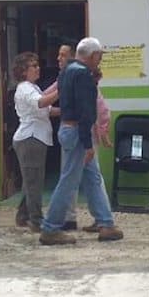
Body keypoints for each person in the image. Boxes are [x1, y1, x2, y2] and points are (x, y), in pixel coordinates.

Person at [39, 37, 123, 245]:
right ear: (94, 55)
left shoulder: (66, 72)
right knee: (69, 181)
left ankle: (105, 223)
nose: (100, 60)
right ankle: (50, 228)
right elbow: (86, 112)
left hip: (68, 128)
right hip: (78, 132)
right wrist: (88, 144)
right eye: (100, 56)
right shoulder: (83, 74)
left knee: (92, 177)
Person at [11, 52, 60, 232]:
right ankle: (36, 220)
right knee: (34, 182)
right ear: (24, 71)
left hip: (36, 137)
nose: (38, 68)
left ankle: (24, 215)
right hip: (31, 138)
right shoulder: (25, 88)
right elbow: (41, 104)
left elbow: (47, 110)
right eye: (34, 66)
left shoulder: (33, 87)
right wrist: (61, 90)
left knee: (30, 181)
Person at [43, 43, 81, 230]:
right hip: (75, 131)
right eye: (58, 54)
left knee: (71, 177)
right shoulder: (64, 77)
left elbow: (97, 106)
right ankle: (99, 219)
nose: (59, 58)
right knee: (90, 178)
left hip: (79, 131)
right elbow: (44, 97)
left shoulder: (78, 75)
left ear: (74, 56)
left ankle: (53, 222)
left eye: (63, 55)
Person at [79, 67, 113, 233]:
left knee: (93, 179)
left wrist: (103, 132)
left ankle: (104, 219)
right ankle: (101, 218)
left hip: (88, 137)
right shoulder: (91, 90)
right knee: (91, 179)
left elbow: (103, 112)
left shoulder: (91, 92)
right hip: (89, 136)